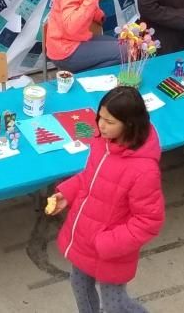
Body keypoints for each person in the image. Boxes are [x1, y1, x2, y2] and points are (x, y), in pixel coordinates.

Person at [47, 86, 164, 313]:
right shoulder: (102, 143)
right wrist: (67, 194)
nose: (101, 125)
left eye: (109, 122)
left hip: (110, 250)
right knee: (79, 285)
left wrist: (107, 243)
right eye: (100, 117)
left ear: (129, 124)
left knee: (115, 304)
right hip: (85, 238)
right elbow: (89, 176)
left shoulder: (144, 170)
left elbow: (149, 221)